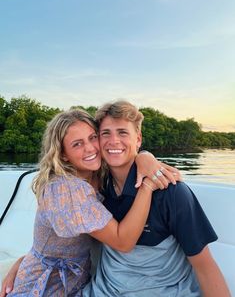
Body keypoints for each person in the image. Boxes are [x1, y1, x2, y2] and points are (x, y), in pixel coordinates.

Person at [0, 108, 178, 297]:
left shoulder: (99, 175)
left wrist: (145, 157)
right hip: (45, 285)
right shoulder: (65, 189)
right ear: (63, 154)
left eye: (93, 137)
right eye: (77, 144)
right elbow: (123, 242)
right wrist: (147, 185)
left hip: (78, 281)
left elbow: (130, 156)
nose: (90, 148)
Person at [80, 100, 230, 297]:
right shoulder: (95, 185)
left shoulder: (171, 193)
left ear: (138, 139)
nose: (113, 141)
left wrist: (145, 157)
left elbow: (205, 267)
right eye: (105, 133)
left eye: (123, 133)